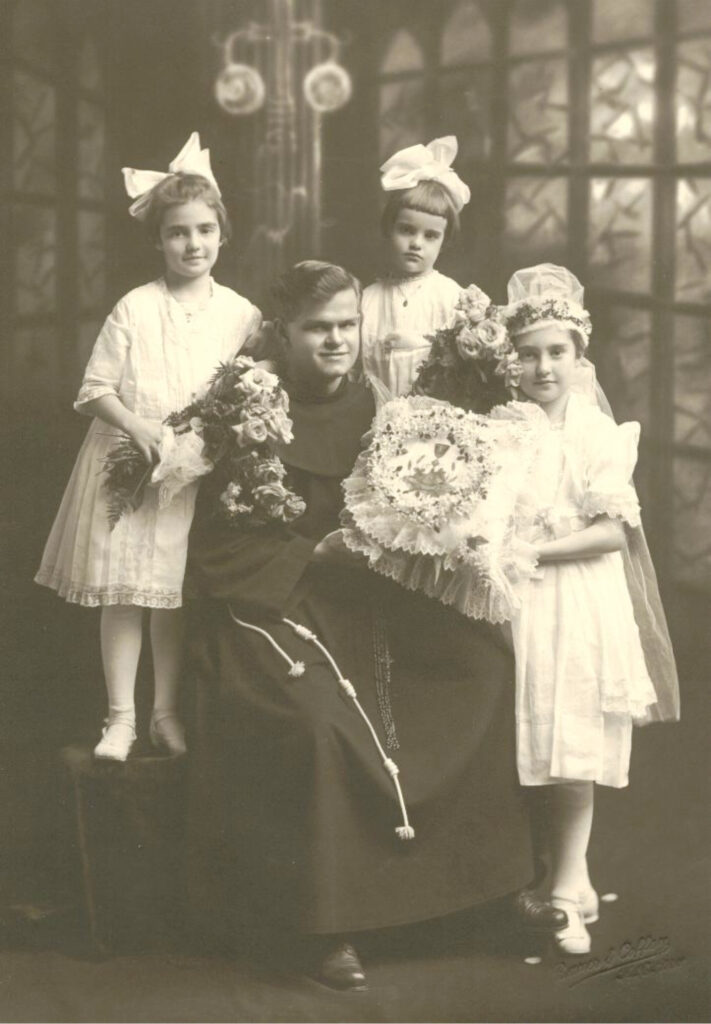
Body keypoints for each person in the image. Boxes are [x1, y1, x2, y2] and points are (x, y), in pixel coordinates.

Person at [184, 260, 562, 991]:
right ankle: (330, 926)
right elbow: (216, 543)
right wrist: (309, 554)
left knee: (481, 665)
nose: (335, 342)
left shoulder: (382, 404)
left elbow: (413, 500)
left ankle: (481, 894)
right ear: (282, 334)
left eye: (347, 326)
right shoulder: (245, 407)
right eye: (317, 329)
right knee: (317, 720)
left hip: (373, 592)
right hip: (275, 601)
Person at [34, 133, 261, 762]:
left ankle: (165, 714)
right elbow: (94, 389)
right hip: (131, 468)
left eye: (204, 230)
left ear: (223, 234)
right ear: (158, 240)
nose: (193, 244)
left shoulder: (241, 314)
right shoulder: (135, 307)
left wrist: (210, 442)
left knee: (172, 594)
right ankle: (121, 719)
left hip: (196, 474)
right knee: (126, 592)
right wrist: (140, 430)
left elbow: (251, 388)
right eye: (178, 233)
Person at [490, 265, 680, 955]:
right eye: (528, 353)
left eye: (555, 352)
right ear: (508, 361)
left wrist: (534, 550)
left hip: (572, 597)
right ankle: (557, 873)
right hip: (511, 598)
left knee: (568, 738)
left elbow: (610, 531)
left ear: (579, 358)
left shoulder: (596, 432)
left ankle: (567, 889)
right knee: (526, 735)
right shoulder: (498, 427)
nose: (541, 367)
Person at [360, 136, 468, 398]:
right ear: (389, 229)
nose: (416, 244)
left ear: (444, 242)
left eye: (430, 235)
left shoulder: (452, 297)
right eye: (407, 230)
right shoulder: (367, 299)